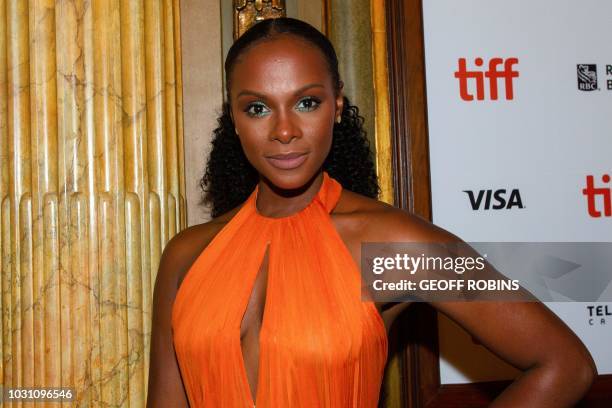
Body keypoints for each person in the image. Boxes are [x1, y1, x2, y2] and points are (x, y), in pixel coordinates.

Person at [146, 17, 597, 407]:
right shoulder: (186, 256)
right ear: (234, 118)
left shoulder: (390, 244)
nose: (284, 130)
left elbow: (563, 365)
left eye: (307, 102)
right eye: (258, 107)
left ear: (337, 106)